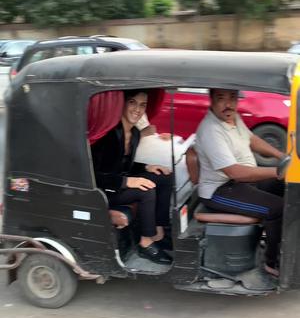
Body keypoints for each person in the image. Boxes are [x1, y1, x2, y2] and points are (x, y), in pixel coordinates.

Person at [195, 88, 286, 277]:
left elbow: (252, 139)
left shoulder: (232, 119)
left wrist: (282, 156)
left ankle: (278, 240)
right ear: (211, 100)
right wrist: (278, 171)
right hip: (220, 191)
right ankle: (273, 261)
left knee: (287, 190)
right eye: (221, 98)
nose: (228, 104)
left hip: (240, 183)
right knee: (277, 209)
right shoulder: (212, 130)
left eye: (232, 98)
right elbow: (235, 173)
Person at [91, 89, 173, 265]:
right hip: (104, 190)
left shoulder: (135, 133)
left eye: (142, 105)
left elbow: (122, 163)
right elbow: (94, 175)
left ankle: (160, 231)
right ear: (122, 104)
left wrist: (147, 167)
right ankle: (146, 243)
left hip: (120, 183)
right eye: (132, 103)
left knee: (164, 177)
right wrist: (128, 181)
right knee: (146, 191)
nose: (138, 109)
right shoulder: (108, 135)